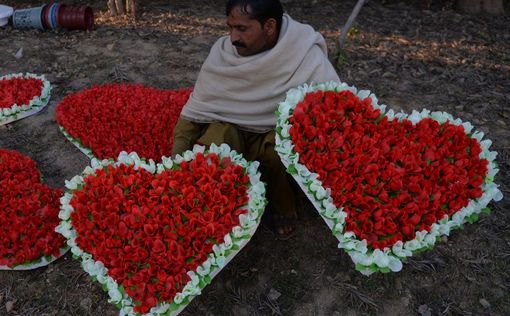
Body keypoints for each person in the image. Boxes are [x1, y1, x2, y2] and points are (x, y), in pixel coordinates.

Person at [172, 0, 339, 238]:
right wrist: (173, 168)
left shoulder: (303, 53)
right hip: (232, 131)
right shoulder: (222, 54)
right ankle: (219, 213)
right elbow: (194, 112)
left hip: (274, 133)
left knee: (280, 148)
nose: (233, 38)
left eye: (242, 28)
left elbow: (332, 109)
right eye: (230, 27)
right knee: (216, 140)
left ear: (269, 26)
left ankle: (282, 207)